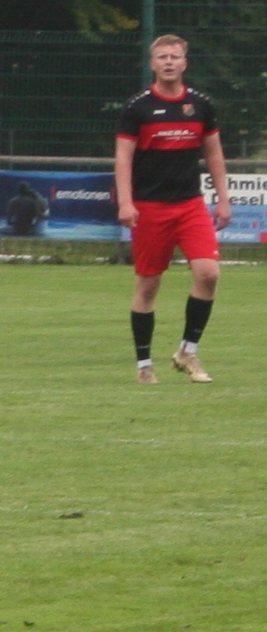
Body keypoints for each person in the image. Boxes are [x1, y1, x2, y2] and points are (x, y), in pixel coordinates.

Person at [115, 34, 229, 383]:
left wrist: (224, 199)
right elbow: (123, 157)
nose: (168, 62)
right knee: (148, 285)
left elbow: (214, 153)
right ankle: (143, 365)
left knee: (209, 274)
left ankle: (187, 352)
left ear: (184, 63)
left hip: (190, 205)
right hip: (150, 207)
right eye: (162, 56)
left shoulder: (201, 105)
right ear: (153, 64)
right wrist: (126, 202)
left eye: (174, 56)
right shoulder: (138, 108)